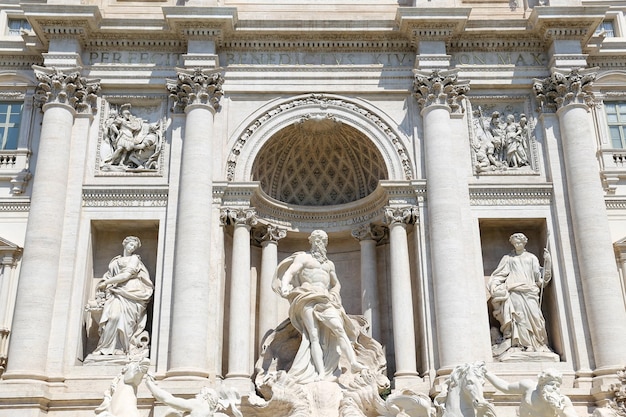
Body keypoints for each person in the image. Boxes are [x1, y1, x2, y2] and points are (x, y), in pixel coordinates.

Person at [273, 230, 365, 383]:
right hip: (307, 297)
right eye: (317, 240)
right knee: (313, 336)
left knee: (339, 328)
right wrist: (284, 285)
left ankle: (353, 362)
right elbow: (290, 273)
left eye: (323, 240)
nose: (320, 243)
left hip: (325, 299)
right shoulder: (304, 258)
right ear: (312, 241)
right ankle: (321, 372)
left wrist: (335, 293)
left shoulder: (329, 265)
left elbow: (336, 283)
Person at [488, 233, 552, 356]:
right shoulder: (508, 258)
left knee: (536, 317)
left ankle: (537, 343)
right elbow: (500, 274)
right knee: (519, 318)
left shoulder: (532, 257)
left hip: (530, 291)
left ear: (524, 243)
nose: (517, 245)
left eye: (519, 242)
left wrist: (548, 262)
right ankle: (524, 345)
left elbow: (540, 279)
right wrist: (495, 285)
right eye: (515, 243)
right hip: (514, 291)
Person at [92, 236, 154, 356]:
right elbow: (109, 275)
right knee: (113, 317)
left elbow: (125, 276)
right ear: (124, 244)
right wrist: (104, 284)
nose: (132, 248)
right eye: (131, 245)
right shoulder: (115, 261)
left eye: (134, 246)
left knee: (127, 322)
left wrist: (106, 283)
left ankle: (122, 348)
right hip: (116, 292)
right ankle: (105, 348)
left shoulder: (134, 259)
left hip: (132, 292)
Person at [482, 368, 578, 417]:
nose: (555, 388)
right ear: (542, 384)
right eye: (551, 384)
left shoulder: (563, 401)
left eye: (557, 386)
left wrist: (560, 411)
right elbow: (506, 387)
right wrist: (486, 373)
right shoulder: (528, 387)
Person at [145, 374, 241, 417]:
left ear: (206, 397)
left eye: (200, 393)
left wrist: (150, 384)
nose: (196, 395)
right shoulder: (214, 414)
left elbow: (168, 399)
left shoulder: (198, 405)